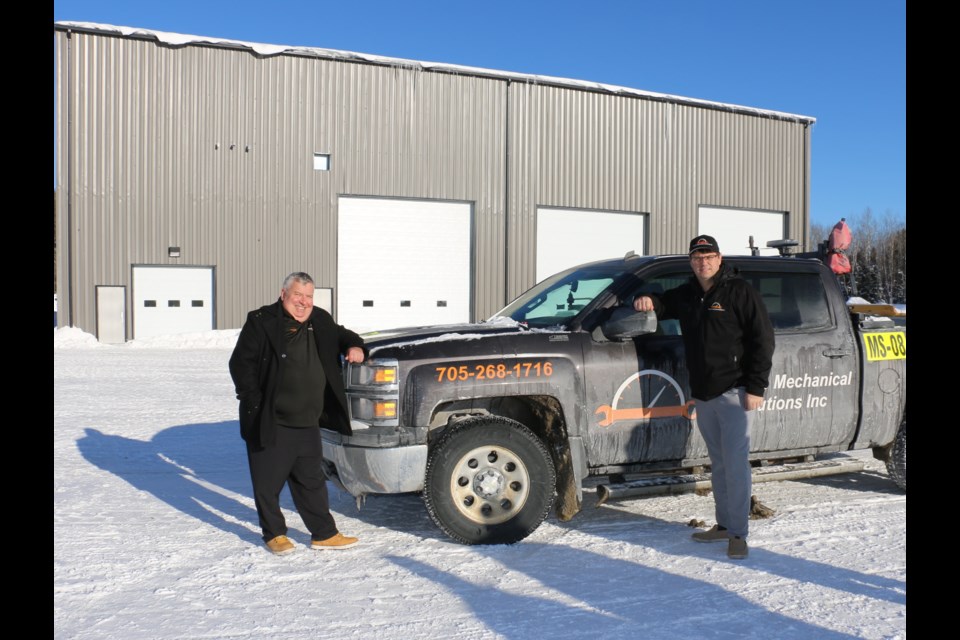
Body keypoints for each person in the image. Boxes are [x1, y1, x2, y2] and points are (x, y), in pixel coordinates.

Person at [633, 235, 774, 560]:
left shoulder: (740, 291)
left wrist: (756, 387)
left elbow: (763, 339)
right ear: (691, 261)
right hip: (704, 393)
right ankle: (724, 524)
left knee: (736, 465)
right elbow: (662, 302)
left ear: (719, 258)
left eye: (708, 256)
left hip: (737, 392)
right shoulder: (688, 294)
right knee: (719, 464)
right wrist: (646, 298)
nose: (703, 262)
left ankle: (738, 533)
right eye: (697, 257)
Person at [229, 272, 367, 555]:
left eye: (308, 297)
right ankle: (274, 533)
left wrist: (355, 346)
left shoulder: (320, 320)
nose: (303, 303)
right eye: (297, 296)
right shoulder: (262, 321)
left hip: (308, 420)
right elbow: (240, 365)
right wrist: (255, 402)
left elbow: (344, 335)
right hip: (273, 420)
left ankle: (324, 534)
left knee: (311, 482)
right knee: (268, 483)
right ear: (284, 295)